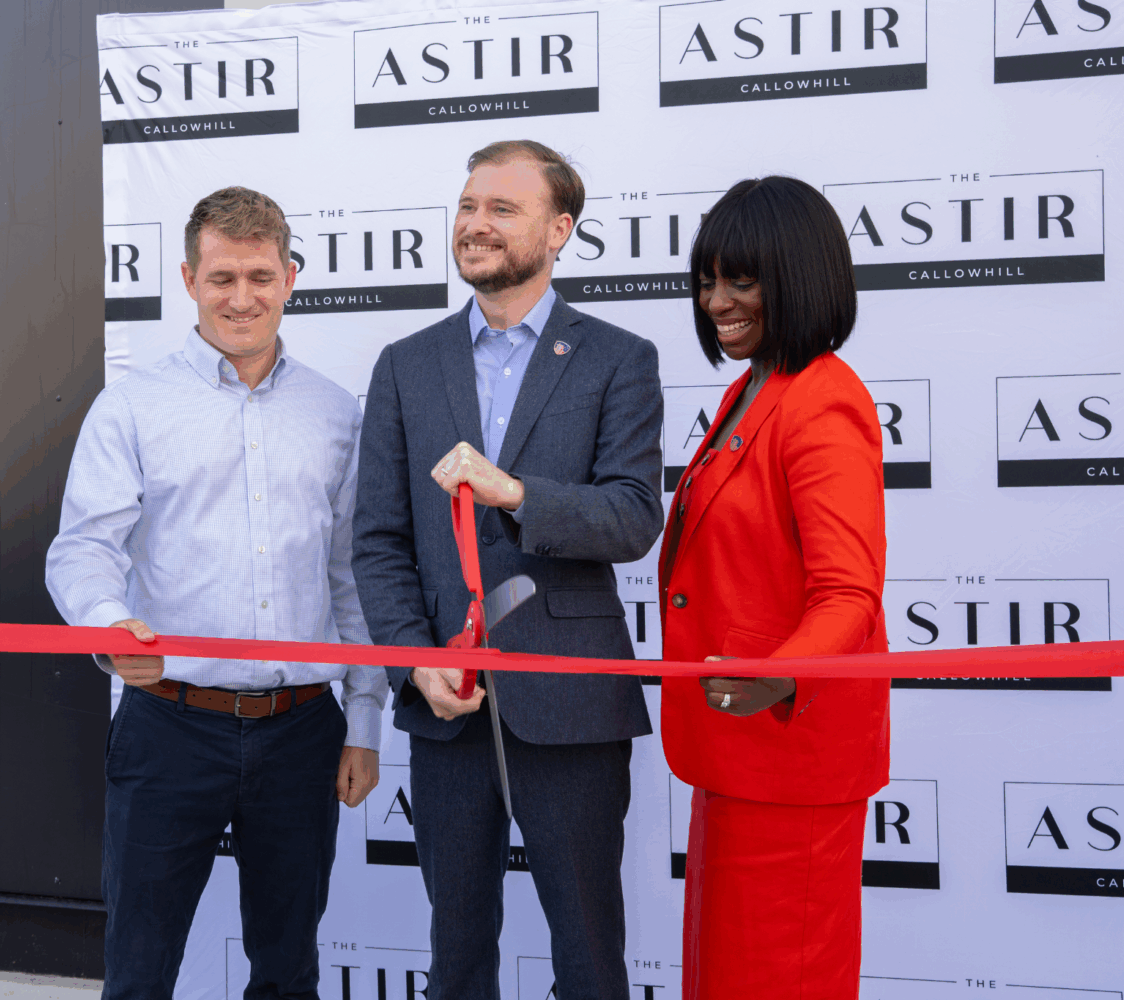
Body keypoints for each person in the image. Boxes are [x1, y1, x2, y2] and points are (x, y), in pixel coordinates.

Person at [44, 186, 388, 1000]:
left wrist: (365, 720)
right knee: (139, 970)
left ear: (290, 278)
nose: (242, 297)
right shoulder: (132, 406)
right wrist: (111, 624)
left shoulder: (336, 413)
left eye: (261, 277)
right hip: (168, 726)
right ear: (188, 280)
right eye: (222, 277)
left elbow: (352, 575)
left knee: (288, 970)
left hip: (303, 730)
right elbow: (83, 549)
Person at [352, 140, 663, 1000]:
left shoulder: (619, 357)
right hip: (445, 707)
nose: (475, 224)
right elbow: (378, 539)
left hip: (571, 702)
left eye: (502, 208)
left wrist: (517, 493)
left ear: (559, 229)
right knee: (455, 958)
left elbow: (634, 515)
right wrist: (417, 661)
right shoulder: (405, 364)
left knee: (589, 956)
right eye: (467, 205)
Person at [658, 176, 891, 1000]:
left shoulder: (823, 400)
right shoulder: (750, 389)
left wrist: (779, 674)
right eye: (708, 280)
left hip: (790, 764)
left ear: (799, 277)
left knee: (776, 981)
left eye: (741, 281)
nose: (716, 302)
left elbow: (849, 592)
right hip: (735, 751)